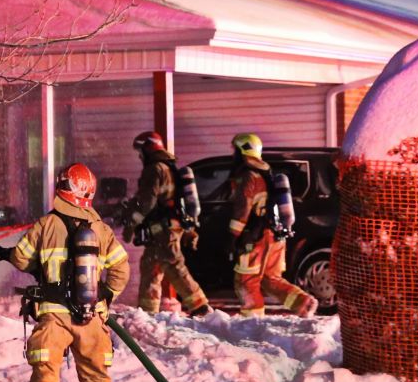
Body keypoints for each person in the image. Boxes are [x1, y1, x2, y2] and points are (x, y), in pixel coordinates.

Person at [0, 162, 130, 382]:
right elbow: (121, 270)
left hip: (55, 316)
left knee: (46, 373)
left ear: (63, 188)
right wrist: (104, 298)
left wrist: (24, 259)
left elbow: (21, 259)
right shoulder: (101, 230)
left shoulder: (47, 224)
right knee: (97, 376)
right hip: (92, 316)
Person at [228, 133, 317, 317]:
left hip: (257, 239)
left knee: (246, 281)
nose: (233, 155)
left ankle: (252, 322)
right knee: (270, 279)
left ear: (243, 151)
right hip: (275, 235)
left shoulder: (249, 177)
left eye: (235, 150)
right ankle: (303, 303)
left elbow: (242, 210)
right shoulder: (266, 174)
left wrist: (232, 236)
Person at [122, 131, 210, 316]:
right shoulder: (168, 167)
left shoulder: (155, 169)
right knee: (153, 266)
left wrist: (132, 223)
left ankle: (199, 307)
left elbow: (147, 202)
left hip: (163, 228)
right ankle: (149, 313)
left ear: (148, 148)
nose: (139, 156)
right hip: (166, 227)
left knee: (171, 266)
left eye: (140, 151)